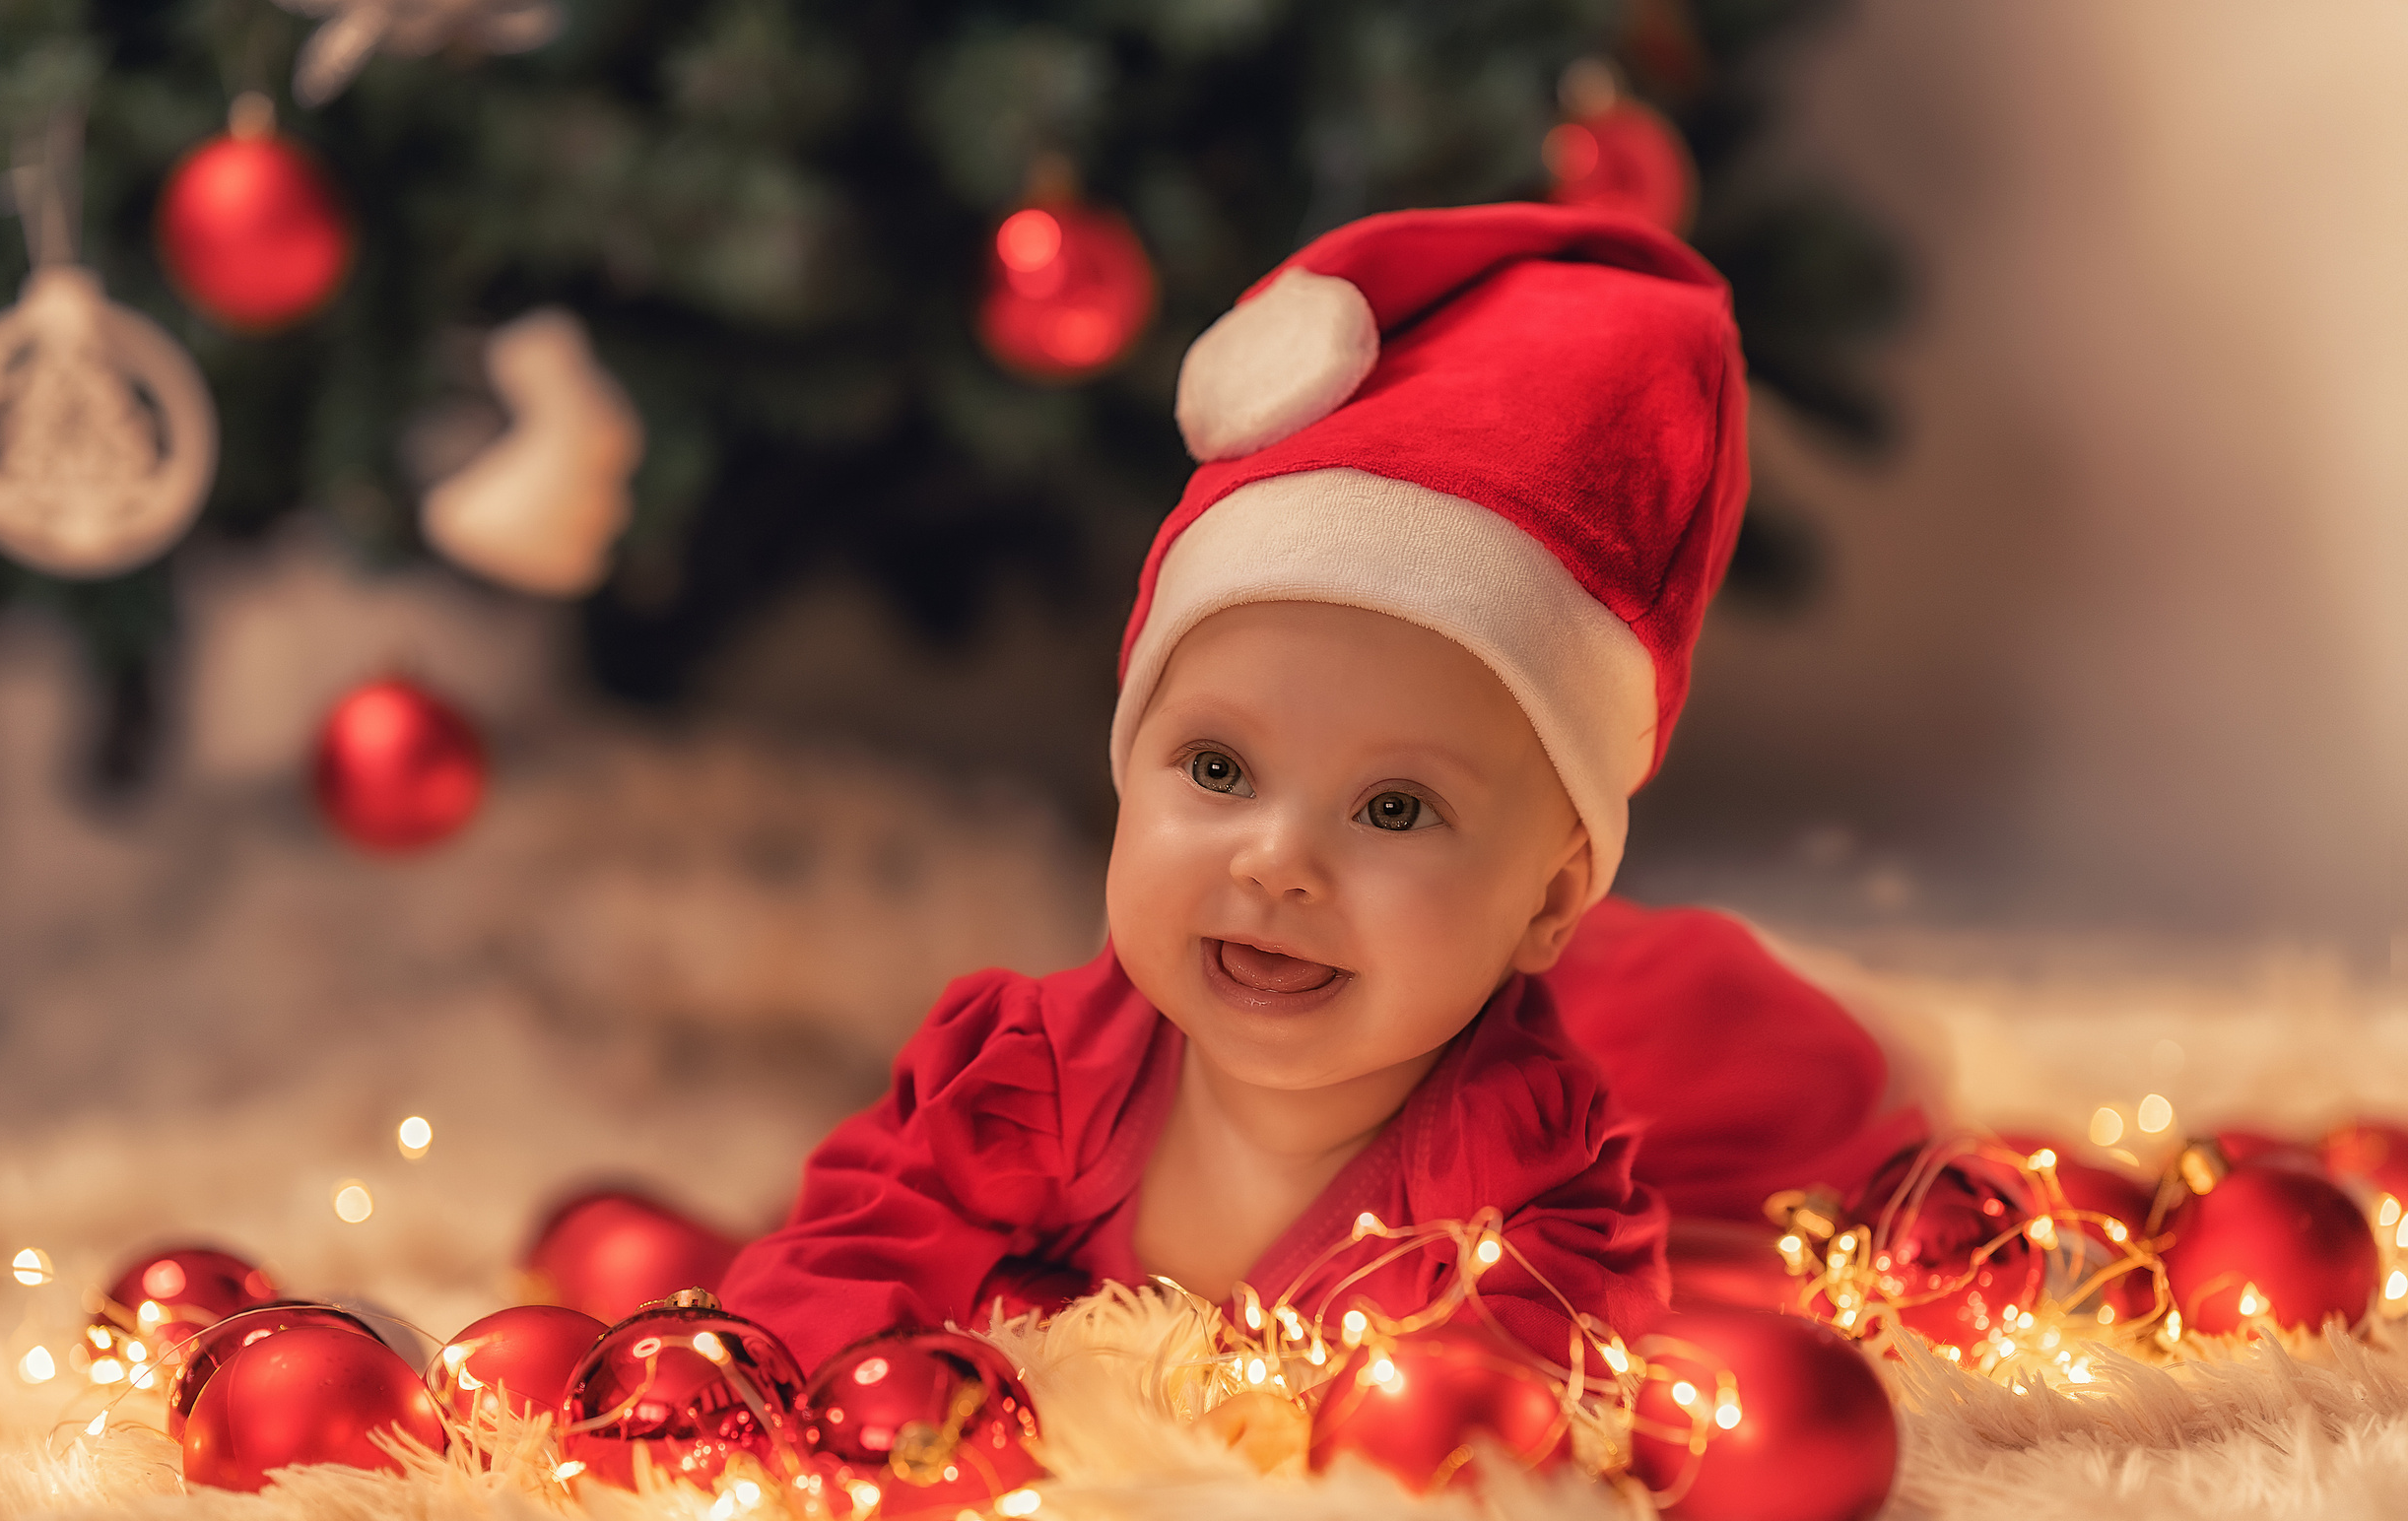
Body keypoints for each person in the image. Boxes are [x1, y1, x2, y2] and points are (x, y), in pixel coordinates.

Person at [720, 202, 1922, 1381]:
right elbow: (851, 1244)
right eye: (1218, 770)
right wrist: (772, 1380)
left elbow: (1528, 1386)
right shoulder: (1039, 1077)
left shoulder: (1509, 1177)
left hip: (1672, 1052)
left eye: (1394, 808)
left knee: (1756, 1076)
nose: (1276, 861)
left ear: (1551, 899)